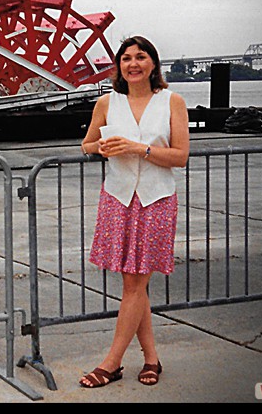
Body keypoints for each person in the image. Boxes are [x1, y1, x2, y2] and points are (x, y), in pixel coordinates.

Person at [78, 35, 190, 389]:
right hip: (118, 198)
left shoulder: (173, 102)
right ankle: (152, 359)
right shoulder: (107, 103)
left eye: (141, 57)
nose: (133, 64)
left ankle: (111, 363)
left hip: (156, 200)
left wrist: (138, 148)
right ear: (119, 66)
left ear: (153, 64)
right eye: (126, 58)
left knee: (135, 282)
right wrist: (103, 145)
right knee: (134, 283)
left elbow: (180, 156)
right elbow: (86, 145)